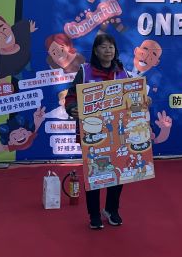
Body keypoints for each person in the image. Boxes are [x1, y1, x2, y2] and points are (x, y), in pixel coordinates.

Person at [65, 33, 128, 230]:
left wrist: (143, 100)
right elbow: (71, 97)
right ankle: (93, 214)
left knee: (118, 171)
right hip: (92, 132)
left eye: (111, 47)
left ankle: (111, 209)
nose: (108, 50)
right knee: (94, 173)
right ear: (95, 50)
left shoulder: (122, 72)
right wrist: (72, 108)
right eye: (103, 47)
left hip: (116, 132)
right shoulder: (85, 71)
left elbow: (131, 96)